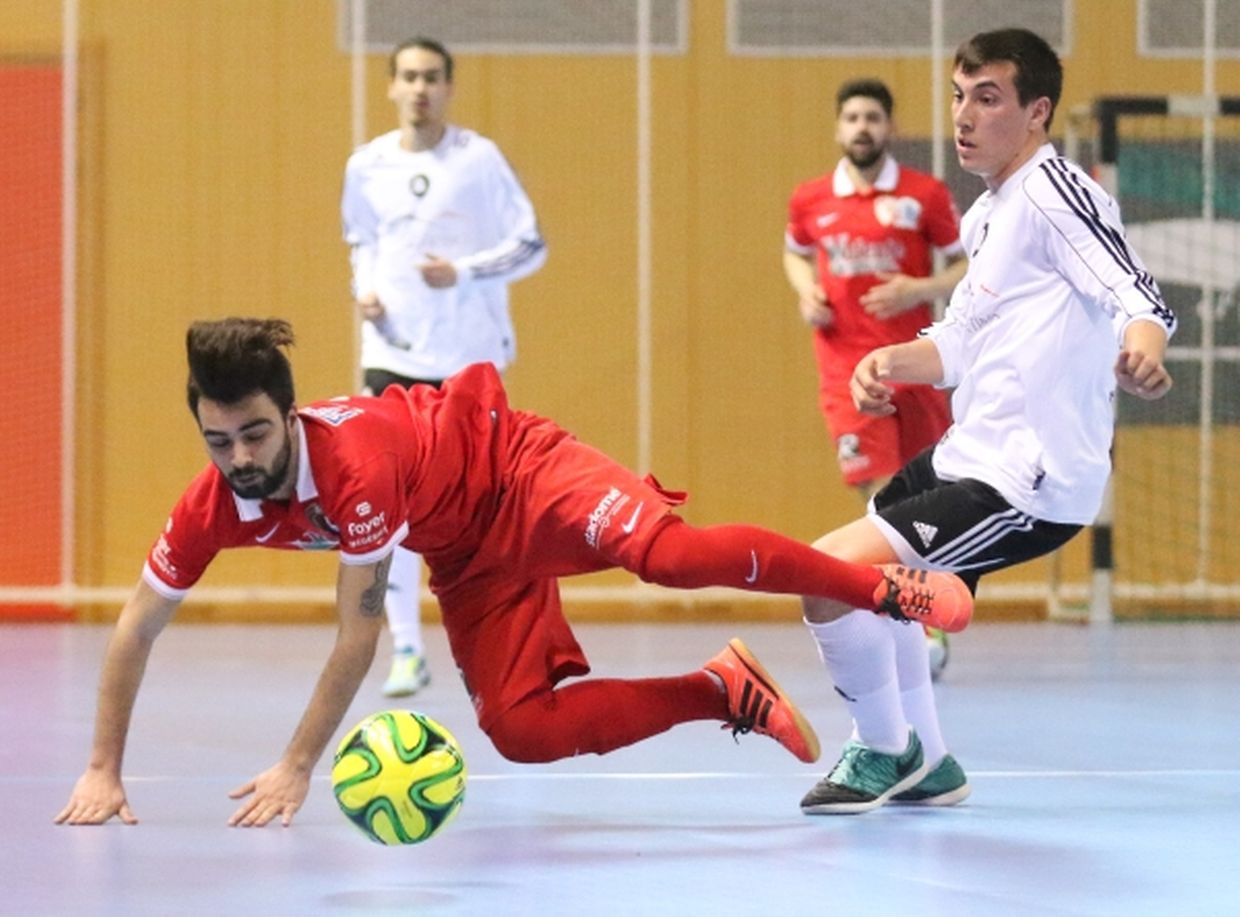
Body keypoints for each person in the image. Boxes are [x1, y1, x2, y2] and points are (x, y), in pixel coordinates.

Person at [55, 318, 972, 828]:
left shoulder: (353, 469)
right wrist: (104, 768)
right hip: (466, 552)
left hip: (519, 471)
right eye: (218, 441)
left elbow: (358, 633)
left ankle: (885, 588)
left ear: (289, 415)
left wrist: (299, 765)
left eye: (255, 432)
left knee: (668, 554)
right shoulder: (211, 502)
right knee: (522, 731)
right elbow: (137, 624)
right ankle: (719, 689)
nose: (240, 456)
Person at [796, 28, 1176, 815]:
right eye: (959, 97)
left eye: (988, 98)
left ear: (1037, 112)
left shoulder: (1053, 191)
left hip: (1027, 479)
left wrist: (1141, 348)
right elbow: (961, 337)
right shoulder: (990, 210)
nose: (965, 116)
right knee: (868, 578)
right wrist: (888, 363)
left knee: (829, 579)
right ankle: (928, 760)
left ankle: (882, 747)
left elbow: (1137, 293)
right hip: (970, 450)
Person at [341, 36, 547, 698]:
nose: (420, 87)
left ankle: (512, 645)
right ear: (392, 86)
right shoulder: (366, 164)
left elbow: (530, 243)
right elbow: (362, 240)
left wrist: (460, 271)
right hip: (391, 357)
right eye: (408, 76)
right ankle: (405, 645)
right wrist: (364, 289)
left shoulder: (478, 160)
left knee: (488, 512)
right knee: (386, 507)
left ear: (449, 87)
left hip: (466, 363)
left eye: (432, 76)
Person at [783, 78, 969, 678]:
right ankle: (903, 618)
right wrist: (805, 288)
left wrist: (921, 288)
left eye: (873, 117)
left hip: (913, 366)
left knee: (919, 499)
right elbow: (794, 250)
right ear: (839, 128)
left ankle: (920, 612)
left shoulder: (924, 195)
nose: (862, 127)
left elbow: (969, 262)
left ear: (888, 127)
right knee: (881, 493)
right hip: (845, 371)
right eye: (852, 117)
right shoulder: (811, 199)